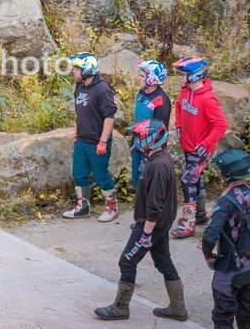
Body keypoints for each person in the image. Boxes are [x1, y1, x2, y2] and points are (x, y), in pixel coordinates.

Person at [95, 119, 187, 321]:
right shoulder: (159, 158)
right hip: (159, 224)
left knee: (127, 261)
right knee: (163, 260)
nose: (135, 139)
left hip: (151, 224)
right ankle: (178, 307)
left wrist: (146, 233)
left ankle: (121, 307)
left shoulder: (158, 166)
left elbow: (155, 205)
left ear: (151, 139)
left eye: (139, 136)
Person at [171, 56, 228, 238]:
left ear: (194, 76)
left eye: (183, 75)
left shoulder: (208, 99)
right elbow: (179, 107)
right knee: (196, 179)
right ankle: (201, 214)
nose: (181, 78)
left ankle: (189, 222)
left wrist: (205, 144)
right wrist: (179, 126)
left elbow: (221, 125)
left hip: (202, 148)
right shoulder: (185, 92)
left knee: (188, 179)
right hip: (188, 145)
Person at [63, 52, 119, 222]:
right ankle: (83, 207)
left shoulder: (102, 89)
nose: (74, 71)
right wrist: (76, 133)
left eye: (77, 69)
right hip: (82, 141)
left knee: (101, 175)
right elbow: (79, 113)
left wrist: (103, 142)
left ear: (87, 70)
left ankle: (111, 207)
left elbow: (109, 117)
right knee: (79, 174)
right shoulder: (79, 87)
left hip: (97, 143)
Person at [203, 148, 250, 329]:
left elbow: (209, 236)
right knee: (246, 314)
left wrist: (208, 255)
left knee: (223, 316)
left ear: (227, 175)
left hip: (229, 270)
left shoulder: (226, 202)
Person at [131, 60, 172, 188]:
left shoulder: (161, 101)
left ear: (152, 79)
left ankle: (148, 207)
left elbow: (160, 131)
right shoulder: (141, 93)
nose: (138, 79)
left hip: (150, 150)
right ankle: (139, 207)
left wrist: (150, 153)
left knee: (147, 183)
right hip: (137, 145)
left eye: (142, 76)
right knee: (136, 181)